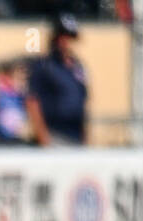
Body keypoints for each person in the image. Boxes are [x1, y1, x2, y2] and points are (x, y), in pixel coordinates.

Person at [26, 13, 88, 146]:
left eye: (70, 38)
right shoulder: (44, 66)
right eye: (63, 37)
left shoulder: (77, 67)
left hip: (75, 134)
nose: (66, 42)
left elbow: (82, 102)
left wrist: (85, 135)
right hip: (54, 134)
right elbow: (32, 101)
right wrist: (43, 136)